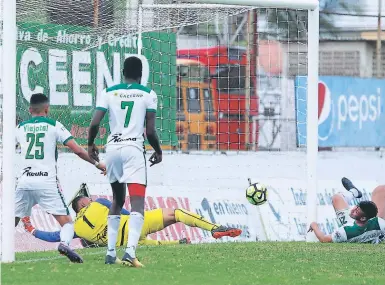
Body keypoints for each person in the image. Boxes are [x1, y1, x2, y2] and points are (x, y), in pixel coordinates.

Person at [87, 56, 162, 267]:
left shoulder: (108, 92)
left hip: (112, 150)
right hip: (133, 151)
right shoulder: (148, 94)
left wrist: (91, 144)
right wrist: (158, 151)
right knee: (137, 202)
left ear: (123, 72)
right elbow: (150, 131)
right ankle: (129, 251)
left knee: (117, 200)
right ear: (141, 74)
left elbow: (94, 123)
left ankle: (110, 253)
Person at [15, 93, 106, 263]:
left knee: (11, 219)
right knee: (67, 224)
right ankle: (64, 244)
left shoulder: (19, 128)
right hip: (46, 182)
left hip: (24, 181)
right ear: (47, 109)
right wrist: (97, 163)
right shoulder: (54, 125)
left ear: (30, 110)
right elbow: (77, 150)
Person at [21, 195, 242, 255]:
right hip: (137, 225)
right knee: (176, 214)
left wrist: (31, 228)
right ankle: (213, 228)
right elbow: (123, 209)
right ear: (83, 203)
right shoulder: (99, 202)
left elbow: (52, 237)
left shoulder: (75, 229)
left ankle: (181, 243)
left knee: (162, 247)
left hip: (127, 245)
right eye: (85, 198)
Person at [308, 177, 385, 243]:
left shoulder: (346, 231)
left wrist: (314, 225)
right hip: (367, 227)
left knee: (337, 198)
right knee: (381, 189)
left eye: (356, 211)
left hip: (355, 227)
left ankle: (353, 192)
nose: (353, 209)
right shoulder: (379, 223)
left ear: (363, 218)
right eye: (356, 207)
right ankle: (355, 192)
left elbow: (324, 239)